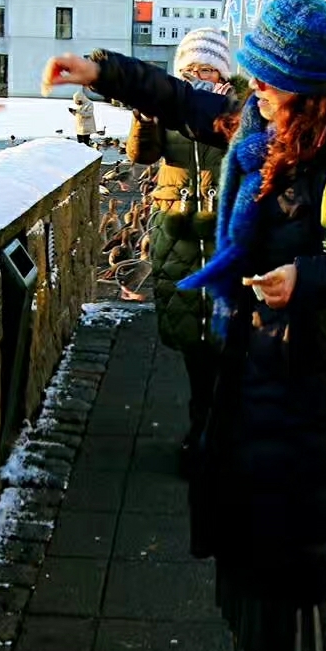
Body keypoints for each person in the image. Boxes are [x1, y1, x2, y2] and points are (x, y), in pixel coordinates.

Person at [43, 0, 326, 651]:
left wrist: (302, 279)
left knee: (293, 554)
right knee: (250, 539)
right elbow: (185, 101)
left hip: (301, 382)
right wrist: (100, 72)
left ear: (306, 87)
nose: (252, 90)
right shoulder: (265, 132)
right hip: (254, 363)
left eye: (266, 81)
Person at [127, 27, 231, 475]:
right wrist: (144, 120)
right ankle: (199, 435)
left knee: (231, 345)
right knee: (194, 344)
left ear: (223, 70)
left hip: (227, 232)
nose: (199, 77)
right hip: (179, 233)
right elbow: (141, 157)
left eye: (207, 68)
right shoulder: (166, 106)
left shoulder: (242, 106)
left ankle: (221, 437)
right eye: (190, 70)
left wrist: (225, 110)